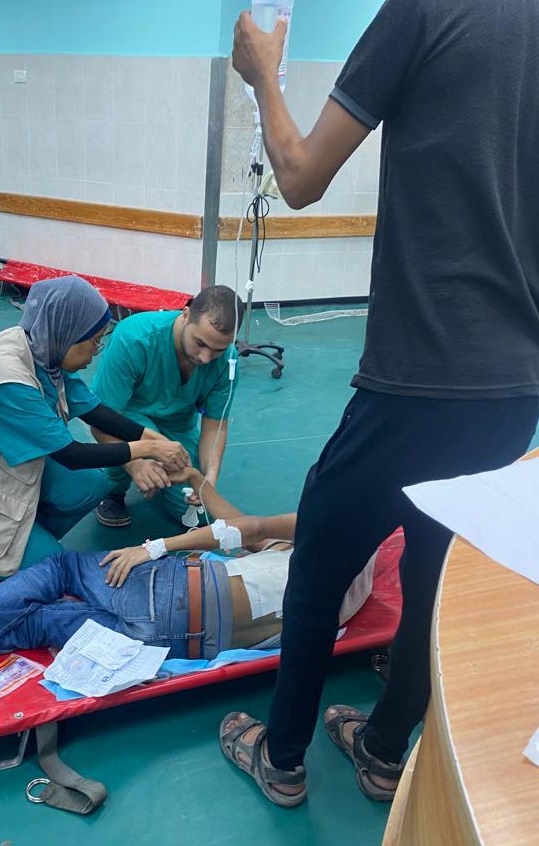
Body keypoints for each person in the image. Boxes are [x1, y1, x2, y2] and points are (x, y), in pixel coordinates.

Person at [222, 0, 539, 808]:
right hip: (515, 387)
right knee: (435, 567)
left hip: (421, 375)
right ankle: (385, 749)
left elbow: (296, 177)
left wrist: (263, 76)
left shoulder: (424, 10)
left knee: (320, 560)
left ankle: (282, 756)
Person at [0, 467, 374, 699]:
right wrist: (199, 479)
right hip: (173, 644)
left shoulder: (324, 526)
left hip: (172, 589)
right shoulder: (351, 589)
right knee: (30, 627)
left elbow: (236, 532)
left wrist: (154, 545)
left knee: (60, 570)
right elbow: (243, 530)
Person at [0, 275, 190, 581]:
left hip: (6, 469)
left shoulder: (44, 349)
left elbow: (95, 411)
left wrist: (152, 437)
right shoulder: (6, 381)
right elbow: (71, 454)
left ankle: (25, 537)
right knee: (53, 571)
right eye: (93, 342)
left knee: (91, 485)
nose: (94, 352)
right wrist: (149, 450)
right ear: (69, 334)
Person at [91, 285, 244, 528]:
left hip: (177, 427)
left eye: (218, 350)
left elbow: (215, 426)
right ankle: (114, 490)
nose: (206, 358)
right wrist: (135, 463)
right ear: (185, 315)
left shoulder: (228, 361)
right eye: (200, 343)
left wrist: (209, 480)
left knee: (198, 517)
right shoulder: (133, 338)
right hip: (127, 419)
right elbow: (100, 417)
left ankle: (158, 480)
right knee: (125, 457)